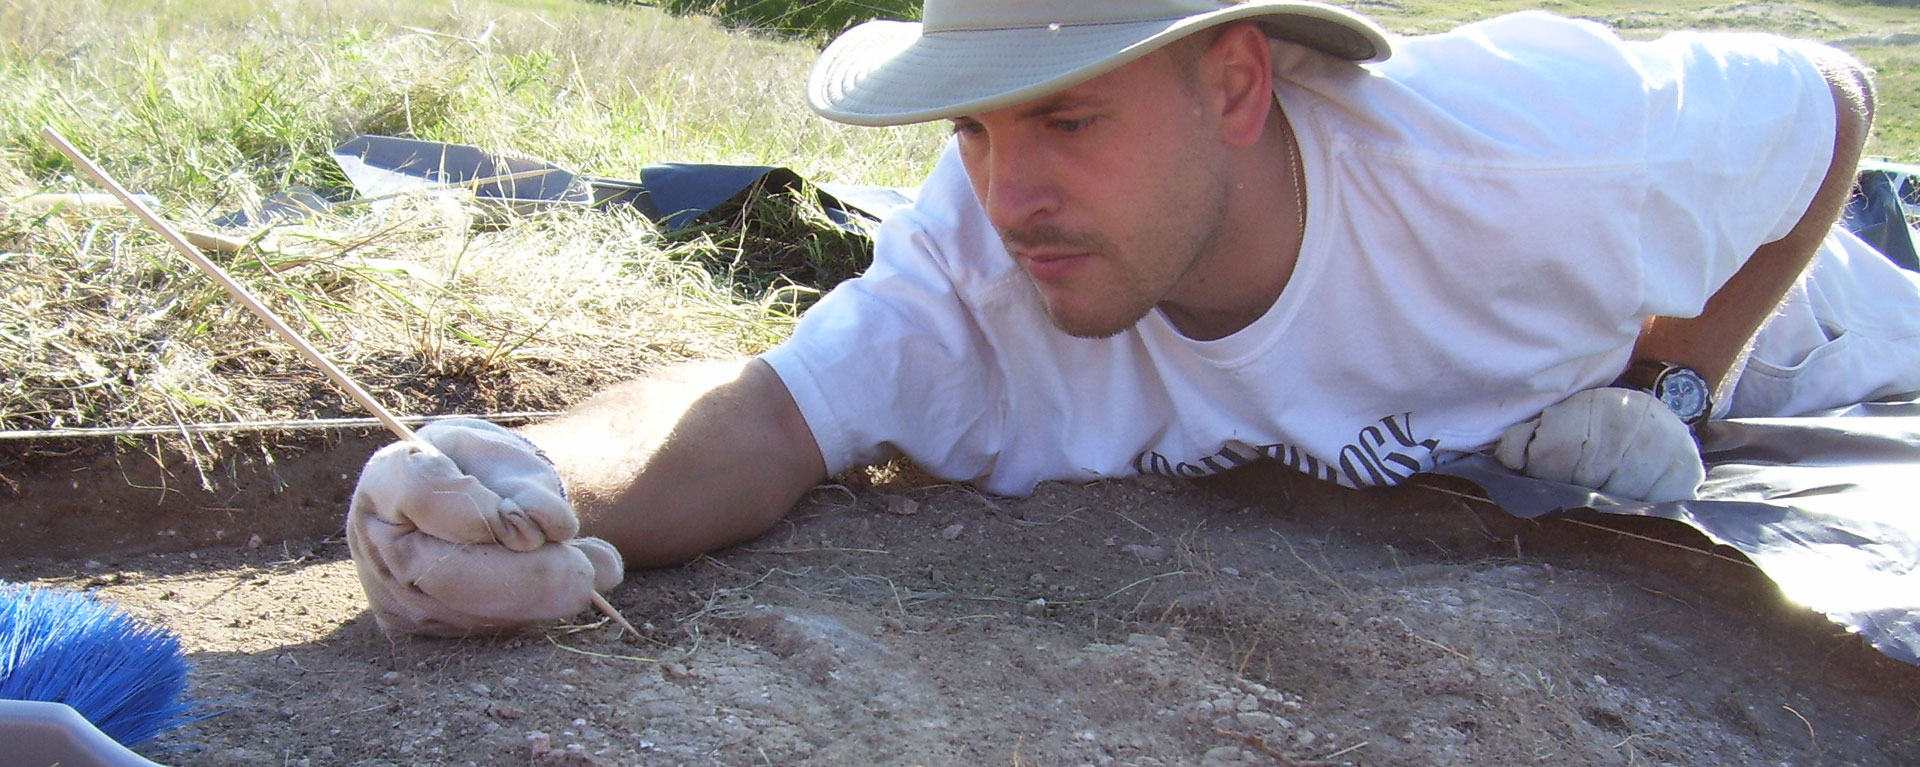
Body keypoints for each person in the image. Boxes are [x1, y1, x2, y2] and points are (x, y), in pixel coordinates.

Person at [344, 0, 1920, 635]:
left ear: (1234, 80)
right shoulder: (981, 265)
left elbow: (1834, 99)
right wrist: (503, 480)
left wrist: (1686, 383)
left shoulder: (1529, 141)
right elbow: (766, 412)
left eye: (1068, 121)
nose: (1005, 189)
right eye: (973, 126)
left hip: (1815, 331)